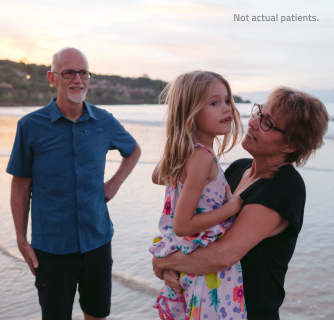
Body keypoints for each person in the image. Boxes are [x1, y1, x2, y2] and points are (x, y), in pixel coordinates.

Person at [152, 87, 329, 320]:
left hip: (249, 313)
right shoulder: (239, 168)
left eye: (267, 123)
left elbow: (222, 255)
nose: (253, 123)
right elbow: (200, 230)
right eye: (258, 113)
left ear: (291, 145)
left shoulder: (283, 186)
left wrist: (162, 261)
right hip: (202, 304)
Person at [6, 47, 141, 320]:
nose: (78, 79)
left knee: (96, 315)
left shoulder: (104, 121)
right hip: (52, 248)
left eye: (83, 73)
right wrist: (21, 239)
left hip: (98, 240)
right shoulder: (30, 126)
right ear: (52, 78)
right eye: (69, 72)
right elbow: (20, 187)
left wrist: (113, 184)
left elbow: (133, 150)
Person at [149, 71, 247, 320]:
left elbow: (157, 177)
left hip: (193, 263)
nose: (226, 109)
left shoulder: (187, 155)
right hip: (207, 274)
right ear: (189, 113)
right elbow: (183, 225)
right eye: (214, 103)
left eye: (227, 100)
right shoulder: (201, 158)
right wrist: (232, 207)